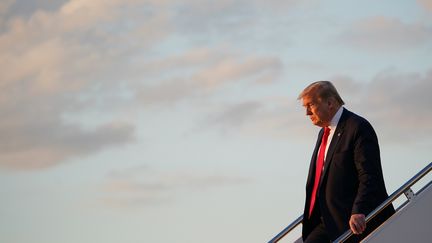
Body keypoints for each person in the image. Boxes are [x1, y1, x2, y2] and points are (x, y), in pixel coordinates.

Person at [298, 81, 395, 243]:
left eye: (311, 105)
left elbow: (369, 175)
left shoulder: (357, 127)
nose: (307, 113)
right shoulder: (323, 134)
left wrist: (359, 210)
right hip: (327, 222)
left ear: (330, 103)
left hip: (355, 223)